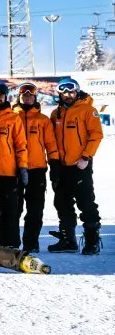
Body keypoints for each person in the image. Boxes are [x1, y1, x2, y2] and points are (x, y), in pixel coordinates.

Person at [48, 78, 103, 254]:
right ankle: (68, 240)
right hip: (62, 166)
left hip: (80, 165)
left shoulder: (88, 110)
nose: (68, 95)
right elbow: (52, 141)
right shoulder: (56, 114)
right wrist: (54, 163)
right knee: (62, 203)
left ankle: (92, 241)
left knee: (86, 202)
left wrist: (86, 157)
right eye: (64, 92)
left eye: (71, 92)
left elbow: (96, 135)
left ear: (77, 92)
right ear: (60, 94)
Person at [12, 82, 59, 252]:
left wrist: (54, 165)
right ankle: (13, 242)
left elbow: (51, 145)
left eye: (30, 95)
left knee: (35, 209)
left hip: (37, 169)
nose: (27, 97)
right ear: (19, 97)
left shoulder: (42, 120)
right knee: (13, 209)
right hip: (14, 170)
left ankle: (31, 244)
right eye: (24, 94)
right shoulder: (11, 117)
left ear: (35, 97)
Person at [0, 81, 28, 247]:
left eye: (1, 95)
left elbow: (21, 145)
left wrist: (22, 167)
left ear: (5, 97)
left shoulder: (13, 118)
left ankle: (10, 245)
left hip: (8, 173)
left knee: (9, 212)